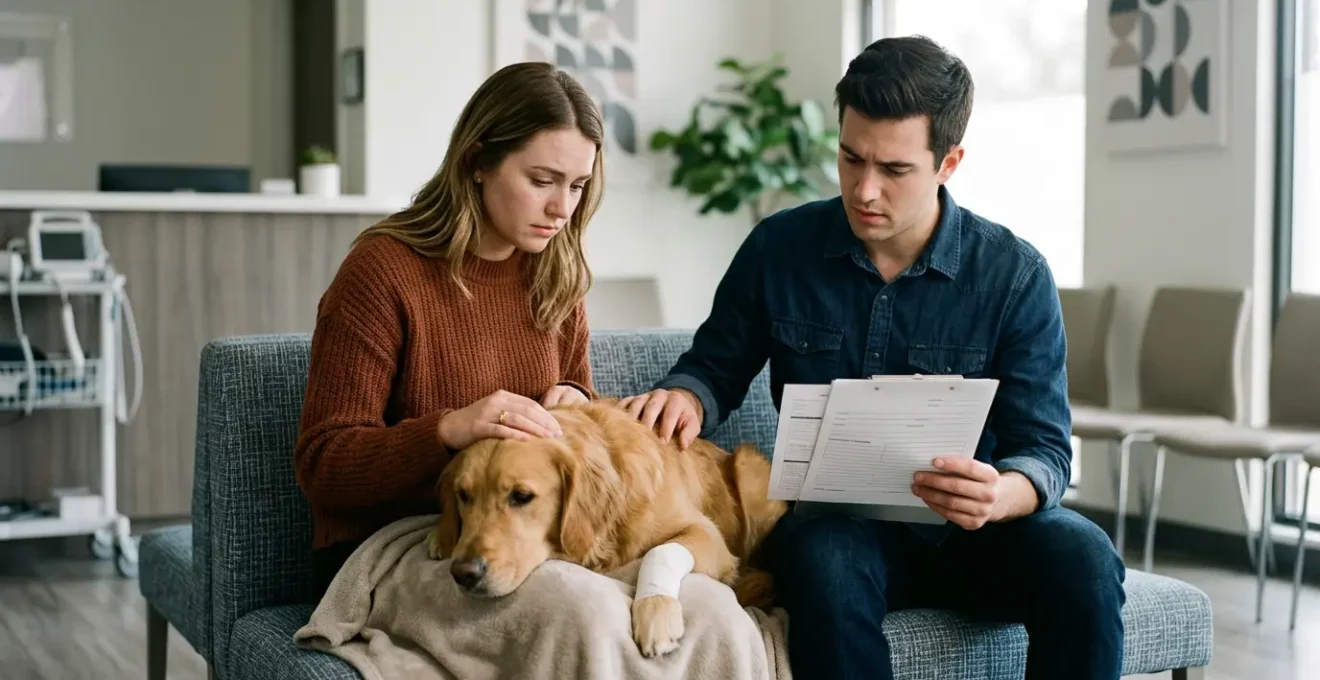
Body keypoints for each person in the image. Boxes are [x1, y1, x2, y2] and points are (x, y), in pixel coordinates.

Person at [619, 36, 1126, 680]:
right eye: (850, 158)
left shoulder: (1015, 275)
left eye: (894, 170)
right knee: (825, 557)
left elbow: (1045, 449)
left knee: (1084, 554)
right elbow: (713, 367)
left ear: (949, 162)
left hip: (979, 535)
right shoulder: (780, 248)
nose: (864, 190)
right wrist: (686, 396)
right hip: (838, 532)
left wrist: (1001, 493)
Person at [294, 61, 602, 596]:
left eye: (577, 186)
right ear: (477, 162)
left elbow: (580, 422)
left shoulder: (556, 274)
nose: (561, 209)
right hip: (394, 545)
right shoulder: (383, 271)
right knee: (584, 610)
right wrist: (447, 431)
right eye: (541, 181)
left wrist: (576, 403)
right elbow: (323, 466)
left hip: (515, 539)